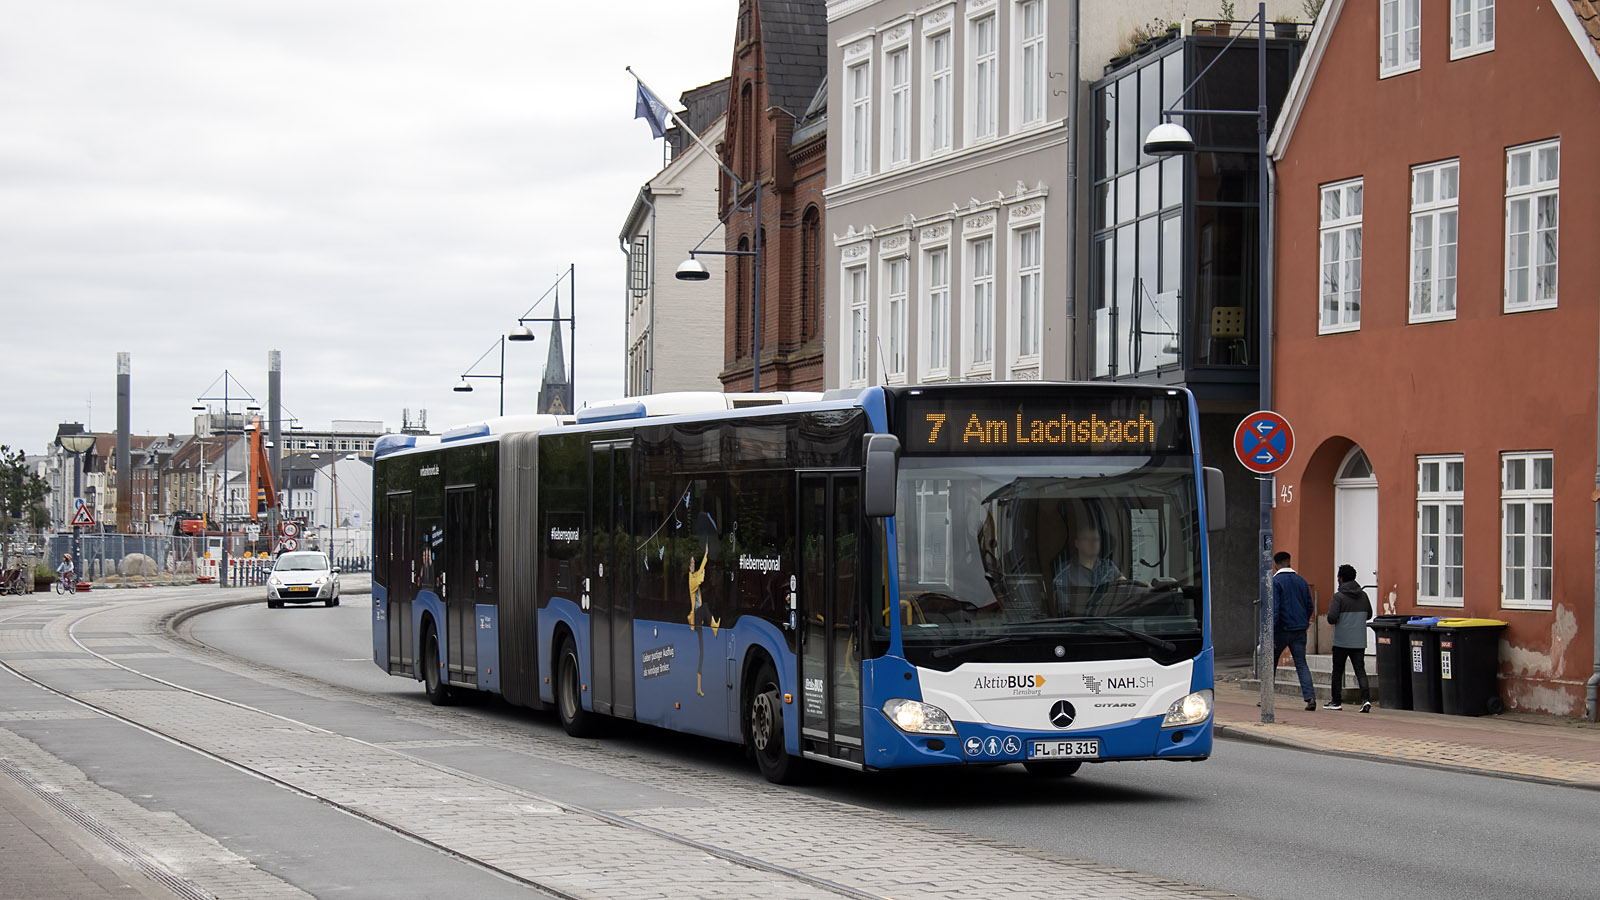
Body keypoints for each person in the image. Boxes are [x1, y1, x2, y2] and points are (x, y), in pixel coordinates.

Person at [1324, 564, 1373, 712]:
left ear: (1341, 578)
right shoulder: (1363, 595)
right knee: (1360, 670)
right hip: (1359, 640)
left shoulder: (1338, 597)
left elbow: (1332, 618)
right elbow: (1369, 615)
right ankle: (1366, 700)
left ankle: (1336, 701)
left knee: (1337, 671)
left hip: (1341, 640)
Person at [1271, 551, 1317, 711]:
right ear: (1289, 562)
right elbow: (1310, 606)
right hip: (1299, 629)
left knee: (1271, 662)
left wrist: (1272, 633)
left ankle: (1267, 697)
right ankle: (1310, 697)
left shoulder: (1275, 582)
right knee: (1301, 663)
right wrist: (1304, 622)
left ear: (1275, 564)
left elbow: (1275, 610)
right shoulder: (1301, 581)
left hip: (1282, 629)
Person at [1052, 528, 1126, 612]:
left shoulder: (1109, 567)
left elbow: (1125, 588)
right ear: (1077, 543)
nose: (1093, 543)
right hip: (1079, 621)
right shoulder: (1065, 571)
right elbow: (1063, 608)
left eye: (1096, 540)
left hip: (1108, 620)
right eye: (1087, 539)